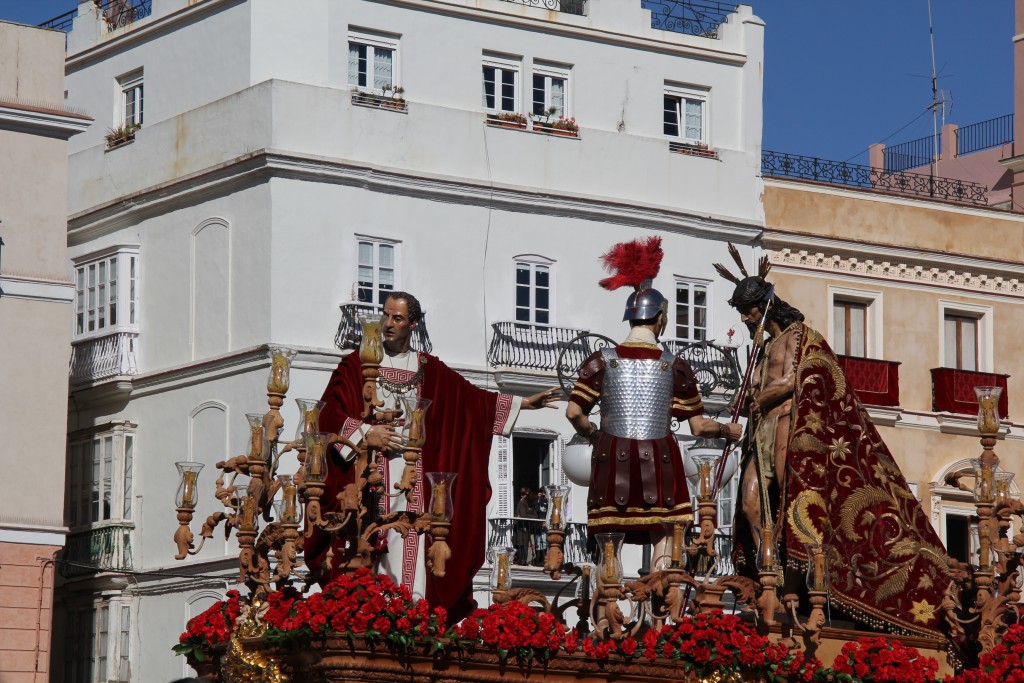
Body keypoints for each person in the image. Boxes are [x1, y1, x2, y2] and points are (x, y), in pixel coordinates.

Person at [716, 250, 951, 639]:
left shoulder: (798, 338)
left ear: (766, 305)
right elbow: (762, 385)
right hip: (761, 429)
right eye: (741, 312)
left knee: (791, 500)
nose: (744, 319)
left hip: (787, 426)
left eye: (748, 311)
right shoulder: (761, 349)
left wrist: (756, 398)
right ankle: (767, 565)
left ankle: (789, 582)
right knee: (750, 503)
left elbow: (796, 380)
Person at [305, 291, 560, 619]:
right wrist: (367, 433)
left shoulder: (430, 370)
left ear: (413, 323)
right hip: (367, 477)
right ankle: (368, 610)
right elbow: (327, 414)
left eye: (397, 318)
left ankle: (409, 613)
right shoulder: (357, 364)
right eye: (385, 315)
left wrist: (524, 403)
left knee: (410, 536)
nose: (388, 324)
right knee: (366, 540)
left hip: (414, 483)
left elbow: (472, 402)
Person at [565, 237, 742, 563]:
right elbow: (699, 427)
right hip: (658, 455)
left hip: (611, 454)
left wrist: (592, 434)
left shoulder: (602, 359)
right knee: (666, 530)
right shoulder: (674, 365)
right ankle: (661, 604)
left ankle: (605, 609)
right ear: (660, 318)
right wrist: (727, 431)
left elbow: (574, 412)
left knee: (609, 537)